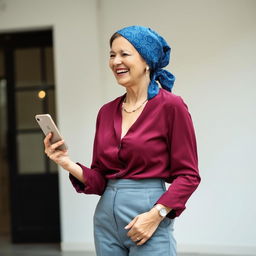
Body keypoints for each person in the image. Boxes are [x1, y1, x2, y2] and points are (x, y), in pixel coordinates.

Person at [44, 25, 201, 256]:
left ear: (147, 60)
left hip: (149, 216)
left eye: (124, 54)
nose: (116, 61)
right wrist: (66, 162)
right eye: (111, 55)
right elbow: (99, 181)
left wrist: (156, 215)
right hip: (106, 221)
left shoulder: (171, 106)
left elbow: (189, 176)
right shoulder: (106, 112)